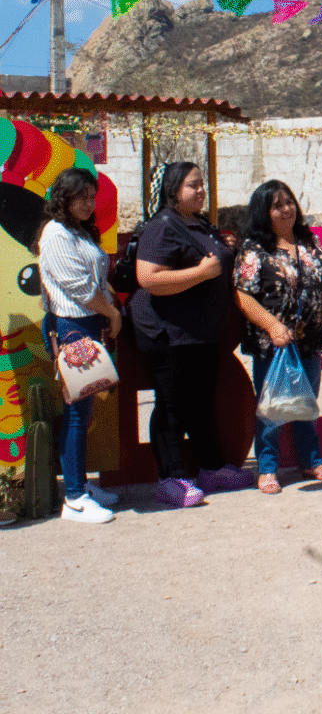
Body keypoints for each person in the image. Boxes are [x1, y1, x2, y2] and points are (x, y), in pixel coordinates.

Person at [131, 162, 253, 508]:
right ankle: (171, 479)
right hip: (166, 332)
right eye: (192, 186)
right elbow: (148, 278)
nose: (200, 191)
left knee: (201, 404)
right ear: (173, 191)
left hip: (200, 332)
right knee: (171, 407)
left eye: (201, 185)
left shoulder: (198, 223)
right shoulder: (161, 227)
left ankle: (212, 469)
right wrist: (201, 273)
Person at [234, 180, 322, 494]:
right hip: (275, 345)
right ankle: (267, 468)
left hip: (310, 339)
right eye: (277, 205)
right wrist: (272, 326)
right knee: (271, 408)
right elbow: (243, 296)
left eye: (289, 202)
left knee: (305, 403)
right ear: (264, 212)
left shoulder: (310, 241)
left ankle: (310, 459)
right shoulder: (254, 249)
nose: (286, 210)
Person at [38, 168, 123, 524]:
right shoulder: (56, 234)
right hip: (72, 326)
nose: (89, 203)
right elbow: (82, 290)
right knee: (76, 413)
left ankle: (80, 487)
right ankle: (72, 497)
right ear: (64, 197)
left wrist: (107, 313)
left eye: (92, 196)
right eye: (81, 197)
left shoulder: (78, 231)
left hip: (89, 324)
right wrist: (114, 315)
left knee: (84, 412)